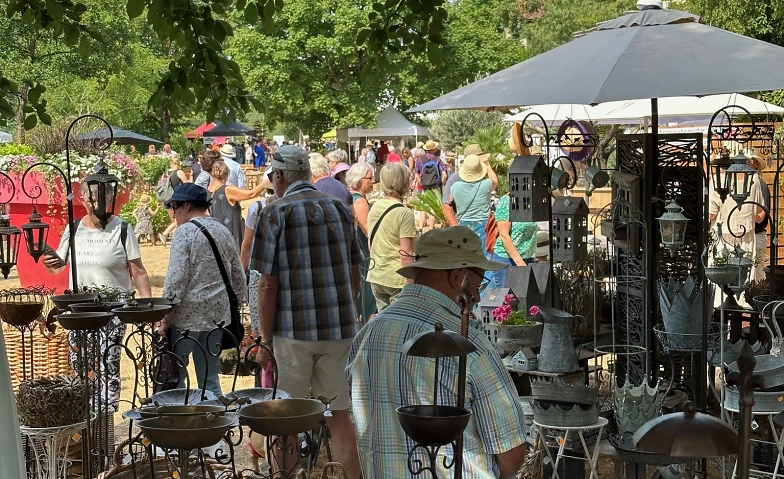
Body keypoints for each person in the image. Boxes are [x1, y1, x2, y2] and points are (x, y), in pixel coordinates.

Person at [347, 226, 527, 478]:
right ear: (457, 277)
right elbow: (510, 448)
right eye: (479, 281)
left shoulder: (368, 333)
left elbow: (356, 422)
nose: (477, 294)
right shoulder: (468, 342)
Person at [252, 146, 361, 479]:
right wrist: (348, 310)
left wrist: (265, 339)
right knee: (340, 416)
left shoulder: (274, 212)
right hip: (340, 329)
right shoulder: (341, 209)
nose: (272, 182)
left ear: (281, 175)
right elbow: (355, 271)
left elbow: (267, 284)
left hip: (291, 332)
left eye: (272, 177)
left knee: (285, 418)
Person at [43, 181, 152, 411]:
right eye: (91, 199)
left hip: (113, 309)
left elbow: (138, 271)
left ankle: (106, 415)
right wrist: (49, 262)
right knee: (79, 362)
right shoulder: (74, 229)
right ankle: (84, 411)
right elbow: (58, 267)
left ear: (110, 200)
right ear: (83, 200)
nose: (96, 205)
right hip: (79, 308)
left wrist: (147, 308)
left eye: (101, 199)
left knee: (108, 361)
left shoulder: (122, 229)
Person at [158, 184, 247, 398]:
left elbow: (175, 281)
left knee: (177, 379)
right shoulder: (223, 230)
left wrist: (165, 318)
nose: (173, 214)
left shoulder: (184, 233)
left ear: (187, 206)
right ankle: (215, 426)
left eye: (174, 207)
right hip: (217, 317)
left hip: (185, 319)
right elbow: (238, 277)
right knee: (210, 381)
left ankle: (182, 426)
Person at [240, 164, 279, 389]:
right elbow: (246, 246)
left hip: (278, 276)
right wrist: (242, 277)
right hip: (258, 275)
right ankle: (263, 381)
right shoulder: (256, 207)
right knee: (261, 329)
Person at [367, 163, 417, 311]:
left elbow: (371, 244)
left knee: (383, 325)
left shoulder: (375, 206)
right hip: (397, 279)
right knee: (401, 327)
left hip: (377, 275)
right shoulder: (404, 213)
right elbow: (406, 254)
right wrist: (413, 284)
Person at [208, 161, 266, 249]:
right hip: (231, 235)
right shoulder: (227, 190)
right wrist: (267, 182)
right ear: (227, 174)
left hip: (216, 235)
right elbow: (252, 194)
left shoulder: (207, 189)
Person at [346, 163, 376, 323]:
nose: (372, 181)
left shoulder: (354, 198)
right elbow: (368, 232)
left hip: (361, 254)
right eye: (369, 178)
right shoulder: (360, 202)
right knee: (368, 299)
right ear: (359, 180)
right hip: (365, 256)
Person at [490, 193, 538, 288]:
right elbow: (504, 235)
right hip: (507, 260)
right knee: (508, 299)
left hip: (528, 259)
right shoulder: (506, 202)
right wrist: (520, 264)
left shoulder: (530, 201)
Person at [449, 153, 498, 246]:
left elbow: (451, 203)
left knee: (465, 255)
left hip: (463, 224)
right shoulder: (486, 184)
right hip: (483, 225)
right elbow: (494, 180)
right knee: (483, 256)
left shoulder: (455, 186)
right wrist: (487, 165)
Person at [160, 155, 191, 241]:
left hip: (166, 198)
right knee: (179, 219)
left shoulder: (165, 173)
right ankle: (165, 234)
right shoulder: (179, 172)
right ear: (178, 162)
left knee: (174, 220)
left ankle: (175, 237)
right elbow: (186, 184)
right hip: (175, 198)